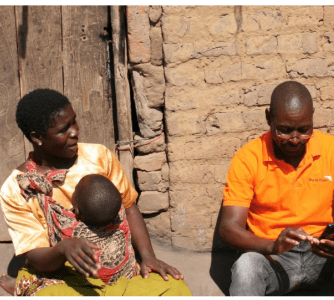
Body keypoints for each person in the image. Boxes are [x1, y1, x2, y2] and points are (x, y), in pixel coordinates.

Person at [0, 89, 191, 296]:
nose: (75, 132)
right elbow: (37, 257)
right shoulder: (17, 187)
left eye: (74, 121)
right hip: (62, 275)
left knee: (175, 288)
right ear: (37, 137)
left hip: (121, 269)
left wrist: (147, 257)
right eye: (64, 130)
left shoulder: (98, 156)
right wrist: (64, 249)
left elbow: (129, 208)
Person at [219, 80, 334, 296]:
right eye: (285, 131)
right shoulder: (248, 158)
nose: (295, 139)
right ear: (269, 118)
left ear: (312, 117)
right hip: (275, 260)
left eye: (304, 130)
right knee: (246, 267)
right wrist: (272, 246)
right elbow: (228, 228)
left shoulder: (333, 149)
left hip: (324, 257)